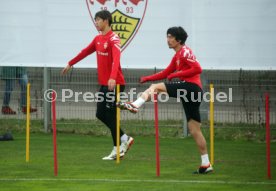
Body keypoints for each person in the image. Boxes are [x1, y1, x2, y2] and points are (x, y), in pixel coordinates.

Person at [117, 26, 213, 174]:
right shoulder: (177, 55)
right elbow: (167, 72)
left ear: (178, 40)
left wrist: (177, 75)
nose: (167, 40)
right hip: (192, 92)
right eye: (167, 37)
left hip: (191, 88)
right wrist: (148, 78)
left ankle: (135, 104)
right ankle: (206, 164)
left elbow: (197, 69)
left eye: (170, 37)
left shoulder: (185, 51)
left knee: (155, 87)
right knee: (195, 130)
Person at [61, 10, 134, 160]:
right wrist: (70, 63)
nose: (96, 23)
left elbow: (116, 60)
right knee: (100, 114)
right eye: (95, 20)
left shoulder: (114, 39)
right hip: (104, 84)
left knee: (111, 115)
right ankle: (125, 138)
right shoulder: (98, 39)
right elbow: (85, 52)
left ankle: (117, 149)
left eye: (98, 20)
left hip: (116, 83)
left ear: (106, 20)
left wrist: (113, 77)